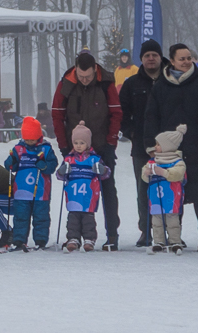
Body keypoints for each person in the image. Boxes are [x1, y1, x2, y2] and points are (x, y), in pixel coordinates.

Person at [144, 43, 198, 251]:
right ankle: (175, 236)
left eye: (189, 58)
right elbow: (151, 117)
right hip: (169, 152)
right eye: (182, 59)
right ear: (172, 61)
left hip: (197, 149)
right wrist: (152, 144)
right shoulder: (161, 86)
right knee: (174, 193)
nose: (186, 62)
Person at [52, 51, 122, 250]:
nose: (84, 80)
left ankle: (112, 235)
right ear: (76, 70)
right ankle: (74, 235)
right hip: (75, 148)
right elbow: (57, 116)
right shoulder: (66, 83)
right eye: (81, 76)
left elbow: (116, 113)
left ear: (95, 70)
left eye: (88, 77)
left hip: (102, 145)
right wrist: (64, 146)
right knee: (75, 191)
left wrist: (111, 142)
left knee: (108, 190)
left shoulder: (106, 82)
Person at [119, 39, 166, 247]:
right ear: (141, 59)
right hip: (140, 148)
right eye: (147, 55)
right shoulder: (131, 84)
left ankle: (169, 230)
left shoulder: (170, 80)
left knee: (169, 188)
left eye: (154, 55)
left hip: (168, 148)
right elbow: (122, 114)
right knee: (143, 190)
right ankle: (146, 231)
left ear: (160, 57)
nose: (151, 58)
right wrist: (132, 133)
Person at [4, 117, 58, 251]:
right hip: (21, 191)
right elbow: (10, 166)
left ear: (38, 137)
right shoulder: (18, 149)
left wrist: (44, 165)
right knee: (20, 217)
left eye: (32, 139)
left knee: (41, 217)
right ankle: (19, 240)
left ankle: (40, 240)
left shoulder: (45, 149)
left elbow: (52, 166)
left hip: (40, 192)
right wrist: (11, 162)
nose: (29, 142)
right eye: (27, 139)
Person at [56, 122, 109, 252]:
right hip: (73, 195)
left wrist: (102, 170)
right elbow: (59, 175)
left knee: (88, 218)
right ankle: (73, 238)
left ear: (88, 144)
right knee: (73, 218)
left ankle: (89, 239)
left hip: (89, 195)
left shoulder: (94, 159)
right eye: (76, 143)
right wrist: (62, 171)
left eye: (82, 143)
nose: (79, 146)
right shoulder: (69, 159)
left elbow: (105, 174)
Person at [142, 124, 187, 255]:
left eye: (158, 145)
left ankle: (175, 241)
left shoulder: (178, 161)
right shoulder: (152, 161)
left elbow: (178, 174)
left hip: (171, 197)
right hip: (156, 197)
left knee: (172, 220)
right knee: (156, 220)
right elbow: (144, 177)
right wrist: (146, 173)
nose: (155, 147)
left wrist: (163, 172)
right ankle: (159, 241)